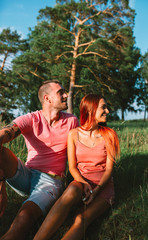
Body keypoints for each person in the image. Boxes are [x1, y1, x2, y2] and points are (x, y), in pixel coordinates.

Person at [33, 93, 120, 240]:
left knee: (81, 218)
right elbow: (72, 167)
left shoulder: (109, 135)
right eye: (103, 108)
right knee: (71, 190)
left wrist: (96, 191)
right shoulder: (74, 134)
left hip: (103, 188)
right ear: (91, 110)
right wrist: (83, 183)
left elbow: (109, 170)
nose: (107, 111)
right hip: (81, 182)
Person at [0, 80, 79, 240]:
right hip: (26, 175)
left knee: (24, 216)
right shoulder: (31, 118)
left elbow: (80, 153)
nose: (66, 95)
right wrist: (1, 184)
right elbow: (6, 132)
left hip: (50, 181)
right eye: (61, 92)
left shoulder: (71, 121)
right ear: (47, 98)